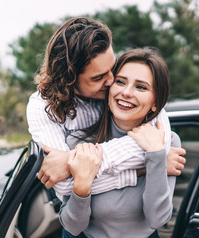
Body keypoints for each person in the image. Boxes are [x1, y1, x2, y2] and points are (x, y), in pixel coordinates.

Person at [27, 17, 186, 196]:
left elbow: (161, 144)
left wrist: (72, 162)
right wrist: (146, 168)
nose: (111, 81)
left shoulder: (121, 92)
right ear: (69, 80)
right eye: (98, 77)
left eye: (113, 68)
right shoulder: (42, 108)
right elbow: (64, 186)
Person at [60, 48, 177, 238]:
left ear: (156, 103)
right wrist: (82, 184)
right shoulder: (79, 141)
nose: (126, 92)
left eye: (141, 87)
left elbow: (157, 220)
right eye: (120, 82)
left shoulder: (167, 141)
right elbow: (73, 227)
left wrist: (156, 154)